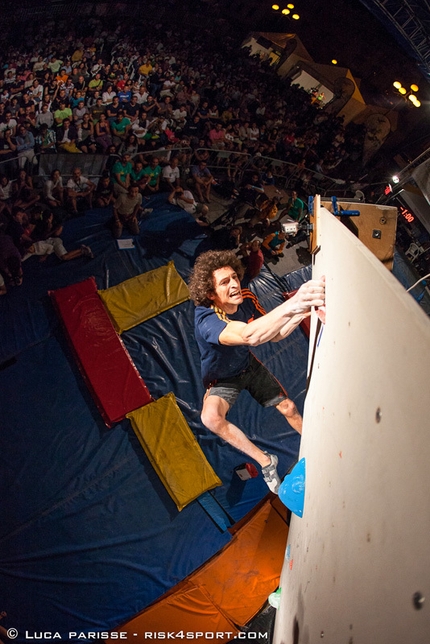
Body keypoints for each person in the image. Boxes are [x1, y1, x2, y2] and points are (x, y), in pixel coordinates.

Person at [188, 250, 325, 493]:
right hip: (224, 378)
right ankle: (265, 461)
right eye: (224, 282)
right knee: (210, 417)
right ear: (211, 294)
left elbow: (275, 335)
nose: (234, 285)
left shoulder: (247, 298)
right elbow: (250, 336)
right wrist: (295, 302)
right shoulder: (207, 318)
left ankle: (317, 447)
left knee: (289, 408)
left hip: (247, 366)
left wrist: (303, 311)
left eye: (234, 277)